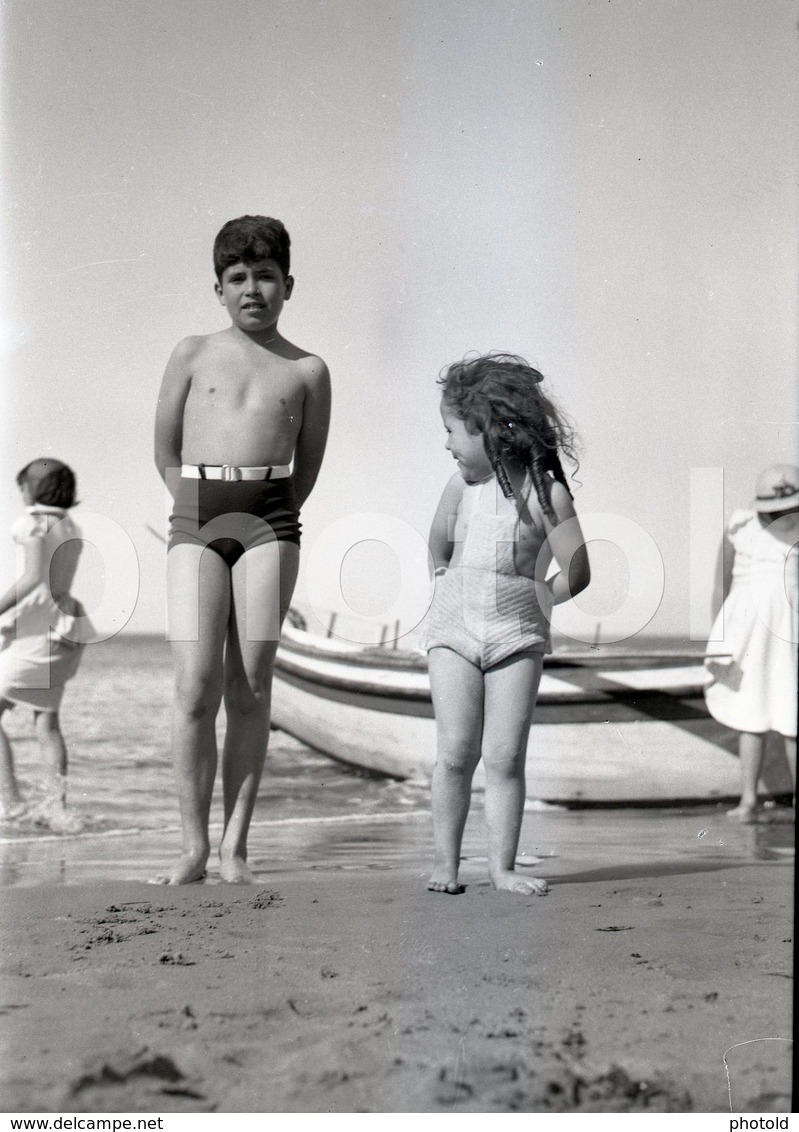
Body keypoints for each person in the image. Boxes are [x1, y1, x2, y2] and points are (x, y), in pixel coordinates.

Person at [153, 215, 330, 885]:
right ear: (218, 288)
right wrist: (195, 504)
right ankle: (192, 847)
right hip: (198, 513)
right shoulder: (192, 353)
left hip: (272, 519)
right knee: (194, 685)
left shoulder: (308, 370)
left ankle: (234, 850)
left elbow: (306, 467)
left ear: (287, 283)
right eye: (237, 278)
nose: (251, 289)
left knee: (251, 686)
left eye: (264, 276)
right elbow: (165, 448)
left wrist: (267, 513)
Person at [421, 354, 590, 895]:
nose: (447, 444)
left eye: (452, 431)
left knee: (504, 757)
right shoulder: (459, 488)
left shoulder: (547, 495)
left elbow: (580, 571)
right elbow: (436, 544)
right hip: (453, 631)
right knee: (454, 753)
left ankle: (501, 868)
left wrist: (540, 602)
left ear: (489, 428)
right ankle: (446, 865)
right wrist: (445, 580)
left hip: (518, 636)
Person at [704, 464, 798, 821]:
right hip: (746, 632)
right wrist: (720, 636)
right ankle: (748, 800)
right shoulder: (739, 527)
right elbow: (721, 584)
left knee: (792, 719)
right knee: (750, 714)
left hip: (790, 629)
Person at [0, 459, 87, 830]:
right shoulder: (71, 525)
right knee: (46, 721)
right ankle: (56, 808)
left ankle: (11, 802)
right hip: (65, 626)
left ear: (33, 489)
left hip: (37, 628)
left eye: (22, 487)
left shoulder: (33, 521)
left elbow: (34, 577)